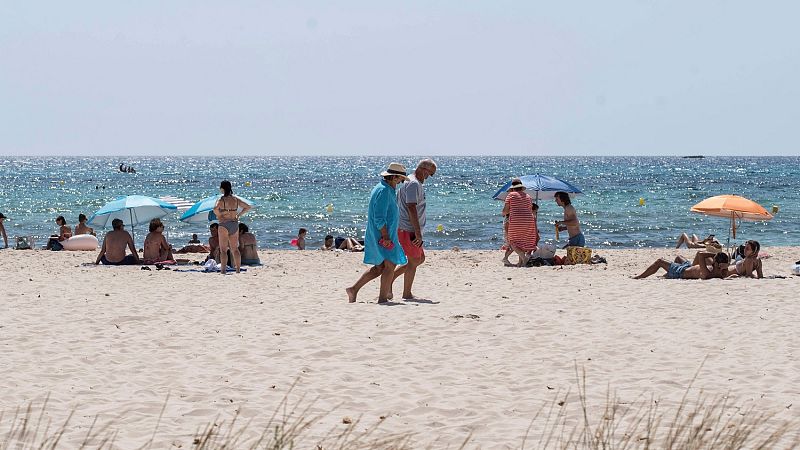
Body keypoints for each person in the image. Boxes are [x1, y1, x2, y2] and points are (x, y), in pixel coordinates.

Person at [346, 162, 409, 303]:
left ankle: (353, 289)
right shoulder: (385, 191)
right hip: (382, 234)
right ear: (394, 177)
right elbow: (379, 217)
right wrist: (385, 236)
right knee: (390, 265)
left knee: (380, 267)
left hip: (382, 233)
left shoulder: (384, 188)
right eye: (400, 179)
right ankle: (382, 298)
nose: (401, 182)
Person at [392, 158, 437, 299]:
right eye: (430, 174)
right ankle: (406, 293)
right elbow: (411, 207)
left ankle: (390, 278)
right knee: (413, 260)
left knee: (420, 258)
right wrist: (417, 232)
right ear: (423, 170)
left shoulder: (412, 182)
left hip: (409, 228)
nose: (429, 177)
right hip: (408, 228)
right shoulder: (413, 184)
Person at [212, 180, 251, 274]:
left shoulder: (221, 200)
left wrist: (220, 215)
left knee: (223, 250)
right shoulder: (236, 199)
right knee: (235, 249)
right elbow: (248, 207)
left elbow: (215, 209)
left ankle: (223, 270)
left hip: (223, 224)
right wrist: (239, 215)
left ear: (222, 188)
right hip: (234, 223)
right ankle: (238, 269)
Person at [501, 179, 539, 267]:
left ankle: (524, 258)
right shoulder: (528, 196)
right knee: (523, 240)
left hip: (516, 220)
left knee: (513, 241)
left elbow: (505, 210)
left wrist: (503, 213)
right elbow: (529, 209)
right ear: (521, 188)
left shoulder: (510, 195)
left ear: (513, 188)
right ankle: (521, 262)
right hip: (529, 220)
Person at [634, 251, 730, 280]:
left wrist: (715, 254)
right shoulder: (722, 272)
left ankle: (639, 277)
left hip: (680, 272)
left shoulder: (707, 273)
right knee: (679, 257)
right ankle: (666, 275)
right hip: (688, 267)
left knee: (660, 261)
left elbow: (701, 254)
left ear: (717, 263)